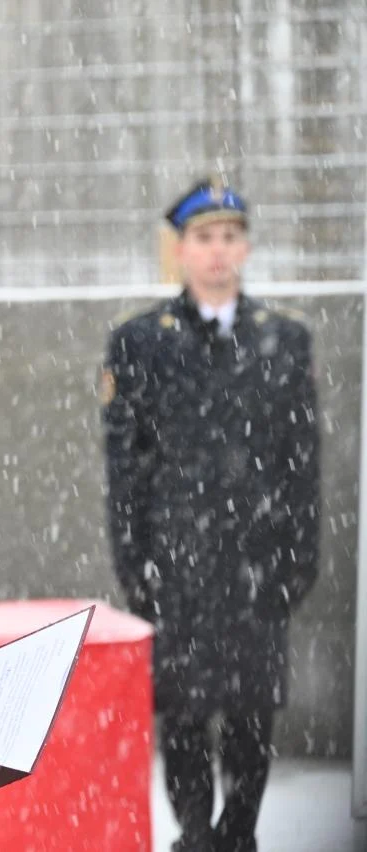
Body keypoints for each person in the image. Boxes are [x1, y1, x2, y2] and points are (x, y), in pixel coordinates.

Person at [102, 178, 320, 852]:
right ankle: (196, 837)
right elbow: (125, 468)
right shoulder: (140, 342)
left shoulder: (284, 340)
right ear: (182, 249)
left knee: (253, 719)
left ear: (246, 246)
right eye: (204, 238)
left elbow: (302, 464)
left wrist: (297, 565)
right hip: (177, 569)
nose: (218, 251)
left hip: (260, 567)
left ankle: (239, 836)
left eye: (229, 236)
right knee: (185, 721)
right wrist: (136, 567)